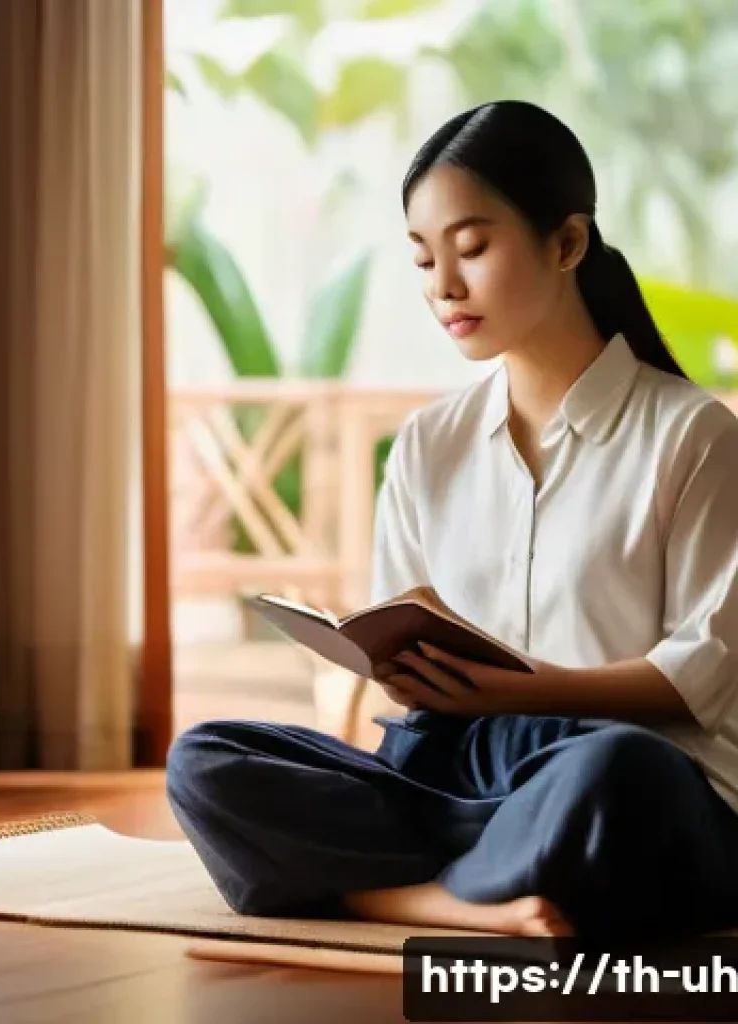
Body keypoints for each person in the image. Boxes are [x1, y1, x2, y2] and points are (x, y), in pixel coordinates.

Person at [165, 100, 738, 942]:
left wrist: (531, 688)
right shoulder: (430, 443)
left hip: (611, 773)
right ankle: (444, 898)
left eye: (472, 248)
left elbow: (705, 672)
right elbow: (403, 630)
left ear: (567, 244)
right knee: (206, 761)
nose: (443, 285)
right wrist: (404, 670)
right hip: (453, 769)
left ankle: (390, 884)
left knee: (620, 775)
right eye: (425, 257)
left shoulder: (693, 436)